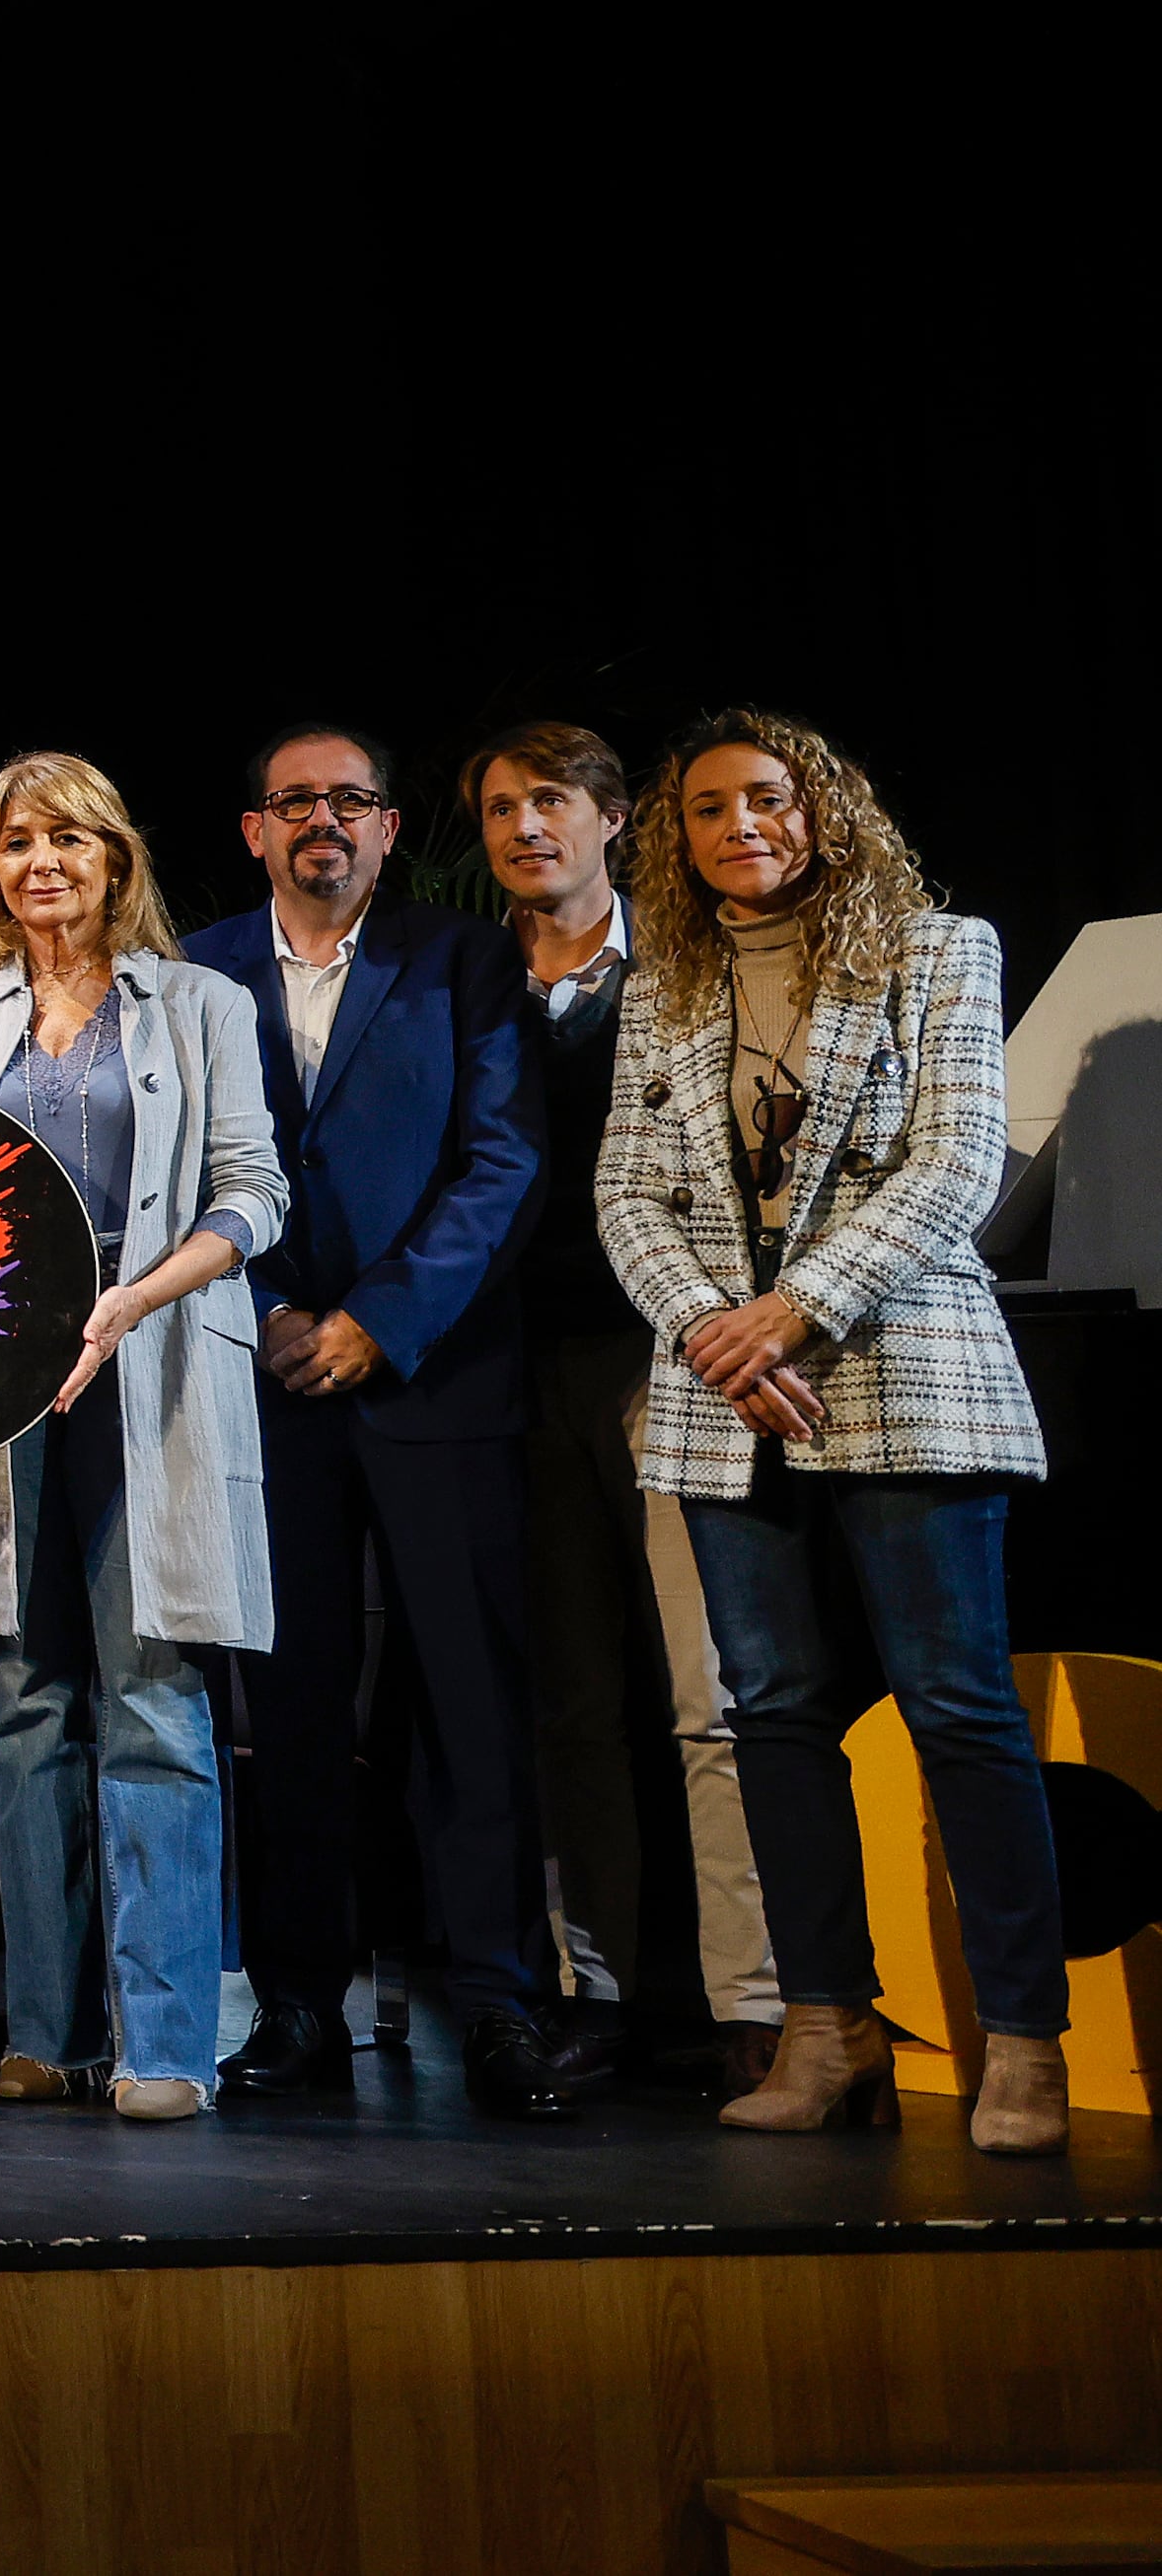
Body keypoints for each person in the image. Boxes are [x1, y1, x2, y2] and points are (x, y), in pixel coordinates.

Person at [597, 709, 1065, 2155]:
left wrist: (791, 1308)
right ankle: (825, 2023)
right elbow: (625, 1192)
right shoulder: (666, 979)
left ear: (824, 807)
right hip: (726, 1398)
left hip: (900, 1365)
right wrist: (710, 1329)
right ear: (676, 840)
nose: (742, 827)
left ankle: (1026, 2044)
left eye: (768, 799)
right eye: (709, 810)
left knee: (959, 1708)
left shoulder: (939, 947)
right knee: (771, 1714)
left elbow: (957, 1163)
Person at [184, 723, 569, 2119]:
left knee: (469, 1706)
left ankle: (500, 2007)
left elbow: (504, 1161)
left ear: (392, 828)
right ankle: (297, 2004)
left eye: (350, 801)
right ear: (255, 830)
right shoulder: (196, 970)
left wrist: (378, 1320)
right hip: (262, 1383)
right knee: (288, 1715)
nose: (323, 823)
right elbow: (182, 1167)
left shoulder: (464, 962)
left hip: (436, 1382)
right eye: (296, 802)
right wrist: (277, 1310)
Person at [0, 752, 282, 2123]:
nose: (41, 863)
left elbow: (254, 1197)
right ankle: (45, 2027)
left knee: (154, 1695)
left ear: (118, 857)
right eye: (14, 844)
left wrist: (129, 1300)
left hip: (152, 1359)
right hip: (1, 1384)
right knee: (26, 1702)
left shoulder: (202, 1005)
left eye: (68, 838)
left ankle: (169, 2038)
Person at [473, 718, 778, 2097]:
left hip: (679, 1361)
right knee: (574, 1702)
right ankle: (596, 1989)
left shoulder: (693, 964)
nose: (526, 827)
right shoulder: (464, 978)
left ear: (610, 820)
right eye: (499, 808)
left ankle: (756, 2003)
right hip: (511, 1375)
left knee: (709, 1692)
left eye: (551, 801)